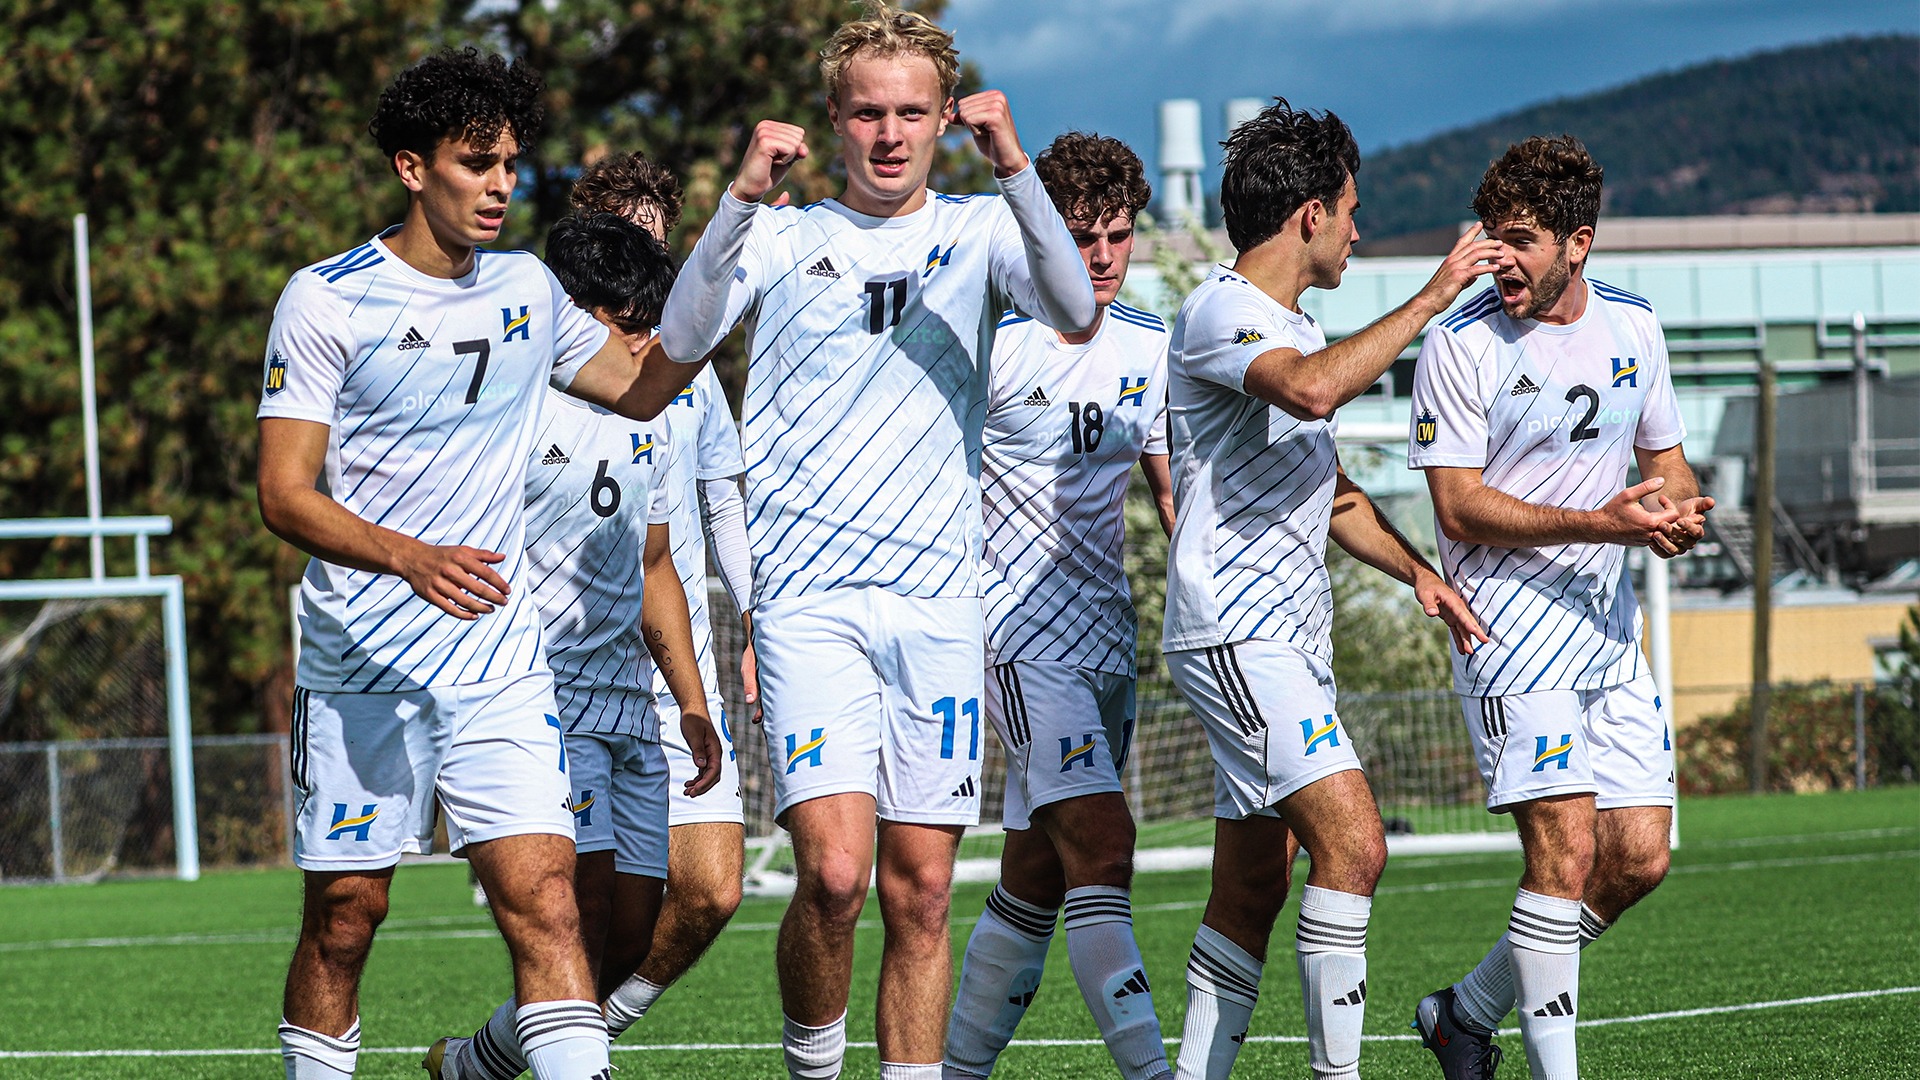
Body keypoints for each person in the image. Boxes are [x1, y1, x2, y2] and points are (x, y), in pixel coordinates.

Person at [648, 3, 1097, 1075]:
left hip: (940, 609)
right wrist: (737, 202)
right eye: (866, 113)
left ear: (945, 119)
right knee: (838, 876)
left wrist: (1016, 168)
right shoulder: (785, 234)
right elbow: (678, 338)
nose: (889, 134)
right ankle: (814, 1066)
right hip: (810, 609)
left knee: (924, 890)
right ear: (834, 121)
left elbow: (1076, 311)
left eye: (911, 113)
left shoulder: (982, 229)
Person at [258, 48, 699, 1080]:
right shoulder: (325, 301)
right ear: (413, 168)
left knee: (547, 904)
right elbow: (284, 492)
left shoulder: (528, 287)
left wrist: (722, 264)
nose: (502, 184)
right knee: (345, 918)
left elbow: (637, 393)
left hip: (498, 664)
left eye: (510, 162)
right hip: (361, 667)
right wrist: (408, 557)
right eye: (475, 162)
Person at [1159, 98, 1496, 1080]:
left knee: (1252, 888)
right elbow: (1312, 390)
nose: (1359, 228)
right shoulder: (1224, 310)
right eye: (1351, 208)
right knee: (1355, 844)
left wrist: (1419, 574)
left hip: (1279, 642)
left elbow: (1335, 494)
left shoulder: (1290, 326)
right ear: (1309, 213)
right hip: (1237, 633)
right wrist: (1432, 298)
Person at [1407, 135, 1710, 1080]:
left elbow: (1666, 461)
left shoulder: (1635, 326)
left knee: (1637, 858)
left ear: (1579, 244)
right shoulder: (1459, 344)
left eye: (1524, 241)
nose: (1500, 258)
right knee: (1567, 853)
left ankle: (1464, 1013)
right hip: (1502, 625)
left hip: (1607, 628)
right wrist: (1605, 523)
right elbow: (1456, 504)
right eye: (1493, 236)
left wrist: (1674, 513)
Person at [424, 212, 724, 1080]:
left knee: (633, 930)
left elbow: (657, 563)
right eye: (632, 326)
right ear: (579, 315)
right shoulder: (510, 408)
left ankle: (477, 1066)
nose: (645, 345)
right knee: (576, 911)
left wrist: (693, 700)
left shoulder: (654, 416)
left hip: (630, 698)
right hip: (536, 694)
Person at [942, 131, 1175, 1080]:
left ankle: (953, 1073)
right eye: (1082, 237)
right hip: (1013, 629)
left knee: (1038, 872)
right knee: (1104, 842)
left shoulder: (1151, 345)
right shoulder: (992, 339)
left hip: (1105, 632)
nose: (1104, 257)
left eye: (1119, 235)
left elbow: (1172, 491)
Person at [567, 154, 758, 1038]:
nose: (646, 249)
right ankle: (557, 1044)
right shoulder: (553, 356)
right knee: (586, 905)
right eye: (624, 232)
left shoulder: (685, 367)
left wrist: (751, 615)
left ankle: (542, 1044)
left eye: (655, 232)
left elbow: (721, 494)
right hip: (571, 649)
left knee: (713, 890)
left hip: (671, 639)